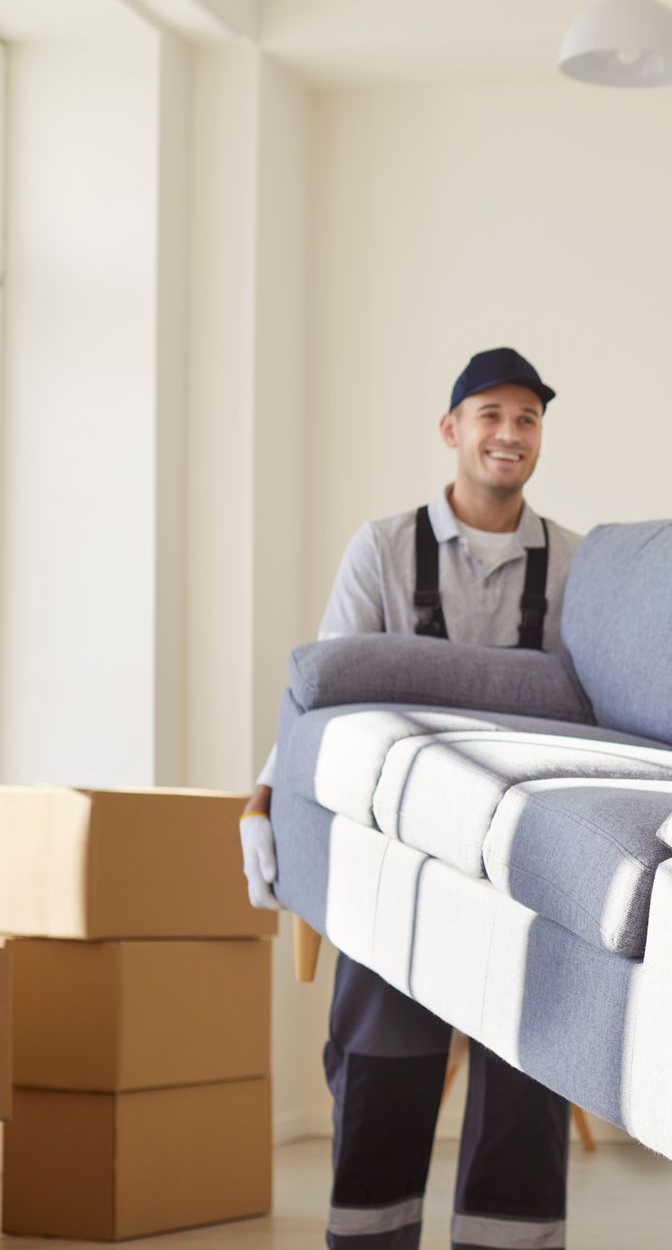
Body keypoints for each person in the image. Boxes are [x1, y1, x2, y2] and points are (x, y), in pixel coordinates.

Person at [237, 347, 583, 1250]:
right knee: (381, 1056)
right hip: (397, 857)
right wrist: (266, 789)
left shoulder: (578, 564)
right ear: (452, 429)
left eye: (528, 419)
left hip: (524, 862)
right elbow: (328, 684)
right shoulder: (383, 548)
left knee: (528, 1062)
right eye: (491, 416)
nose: (510, 434)